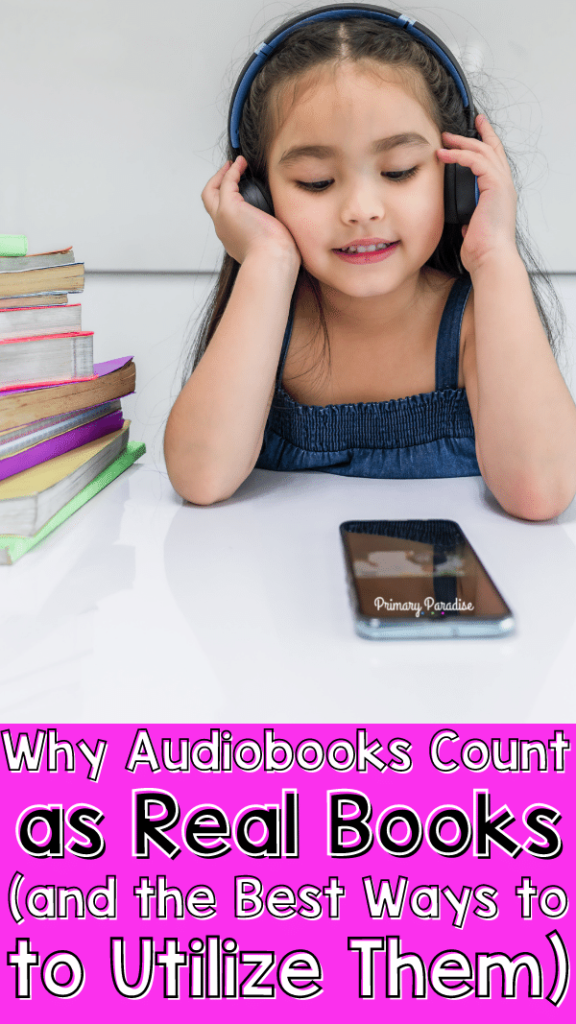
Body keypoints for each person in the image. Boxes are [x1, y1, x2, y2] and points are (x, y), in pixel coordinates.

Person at [164, 6, 576, 520]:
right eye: (316, 181)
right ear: (257, 196)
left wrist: (496, 255)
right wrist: (266, 261)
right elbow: (200, 478)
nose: (362, 210)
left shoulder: (475, 319)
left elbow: (540, 493)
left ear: (459, 183)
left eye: (400, 172)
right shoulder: (269, 320)